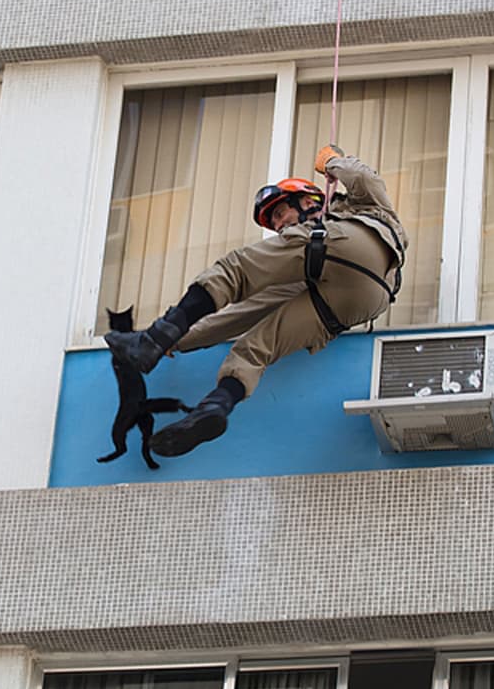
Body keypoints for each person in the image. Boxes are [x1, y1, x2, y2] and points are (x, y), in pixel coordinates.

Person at [105, 145, 408, 457]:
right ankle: (214, 407)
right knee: (254, 350)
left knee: (235, 270)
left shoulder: (355, 211)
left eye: (279, 213)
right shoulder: (303, 273)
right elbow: (242, 314)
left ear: (307, 201)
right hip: (361, 301)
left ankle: (154, 337)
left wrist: (332, 161)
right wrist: (181, 342)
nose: (278, 226)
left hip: (358, 243)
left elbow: (365, 180)